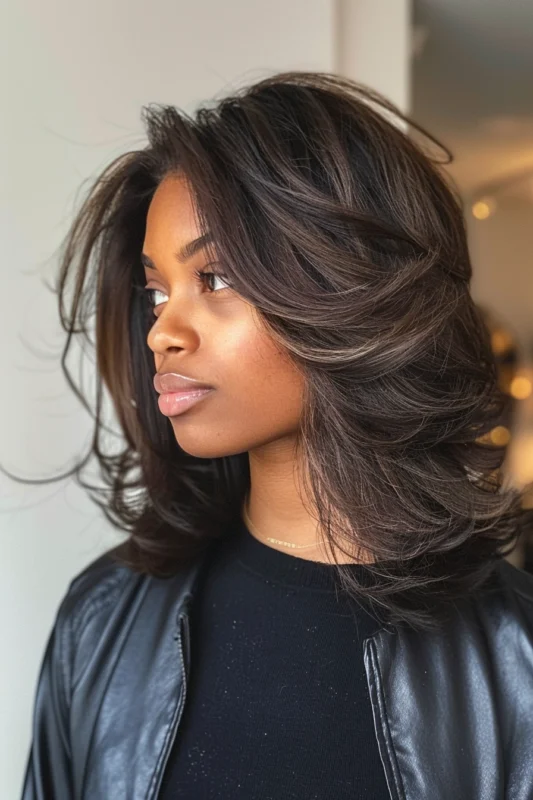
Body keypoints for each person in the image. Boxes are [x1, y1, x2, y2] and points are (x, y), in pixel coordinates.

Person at [17, 71, 533, 799]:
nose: (161, 330)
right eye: (156, 290)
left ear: (352, 285)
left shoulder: (517, 661)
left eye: (216, 278)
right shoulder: (103, 619)